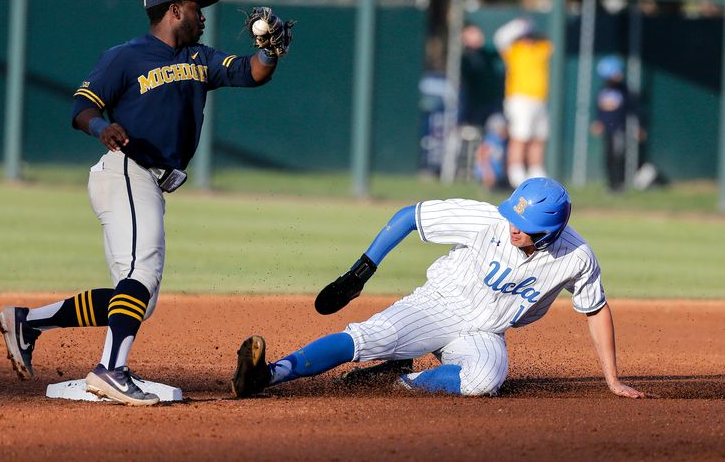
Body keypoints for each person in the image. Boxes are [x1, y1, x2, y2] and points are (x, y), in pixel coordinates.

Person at [0, 0, 293, 406]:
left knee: (136, 298)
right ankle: (109, 370)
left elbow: (252, 73)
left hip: (146, 182)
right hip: (127, 171)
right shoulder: (125, 56)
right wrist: (103, 127)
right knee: (143, 276)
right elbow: (82, 106)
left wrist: (271, 50)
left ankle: (27, 322)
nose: (202, 15)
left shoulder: (200, 57)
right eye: (195, 8)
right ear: (174, 11)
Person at [231, 177, 647, 400]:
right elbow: (409, 216)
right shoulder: (488, 220)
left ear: (552, 231)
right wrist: (361, 271)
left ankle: (400, 378)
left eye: (528, 226)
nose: (515, 227)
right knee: (366, 337)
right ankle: (266, 375)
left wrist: (612, 379)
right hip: (438, 304)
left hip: (484, 332)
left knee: (485, 379)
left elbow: (595, 309)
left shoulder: (576, 256)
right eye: (513, 217)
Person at [493, 17, 553, 188]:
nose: (528, 39)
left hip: (540, 99)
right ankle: (516, 173)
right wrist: (518, 25)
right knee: (520, 136)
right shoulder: (514, 50)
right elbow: (501, 37)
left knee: (538, 137)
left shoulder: (541, 48)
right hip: (520, 99)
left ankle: (536, 171)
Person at [591, 55, 630, 192]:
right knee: (608, 156)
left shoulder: (623, 90)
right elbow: (599, 108)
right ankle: (610, 183)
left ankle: (619, 184)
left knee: (618, 155)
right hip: (607, 129)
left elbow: (632, 108)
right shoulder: (603, 89)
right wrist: (598, 122)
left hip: (619, 128)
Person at [473, 112, 509, 191]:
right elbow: (482, 156)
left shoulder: (503, 141)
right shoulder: (490, 140)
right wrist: (488, 172)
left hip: (499, 177)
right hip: (489, 175)